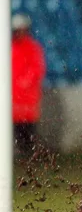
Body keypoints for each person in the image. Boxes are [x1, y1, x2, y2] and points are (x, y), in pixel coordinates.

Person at [12, 14, 46, 159]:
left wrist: (25, 81)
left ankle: (31, 156)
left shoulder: (33, 48)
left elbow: (37, 69)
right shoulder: (11, 48)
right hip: (14, 99)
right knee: (17, 130)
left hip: (28, 98)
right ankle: (22, 155)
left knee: (28, 130)